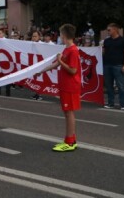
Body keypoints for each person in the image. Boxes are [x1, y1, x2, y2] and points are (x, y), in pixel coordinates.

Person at [35, 24, 81, 152]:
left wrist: (61, 62)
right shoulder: (66, 49)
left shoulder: (73, 50)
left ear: (64, 35)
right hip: (65, 85)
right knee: (67, 113)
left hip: (70, 86)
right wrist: (41, 71)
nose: (59, 36)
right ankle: (70, 139)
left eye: (60, 34)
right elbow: (56, 64)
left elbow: (73, 70)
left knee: (69, 113)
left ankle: (70, 142)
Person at [103, 23, 124, 110]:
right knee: (109, 85)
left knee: (120, 85)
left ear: (115, 29)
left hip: (118, 65)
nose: (108, 32)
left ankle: (123, 104)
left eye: (109, 30)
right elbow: (103, 52)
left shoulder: (123, 40)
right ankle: (111, 103)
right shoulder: (106, 41)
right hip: (107, 65)